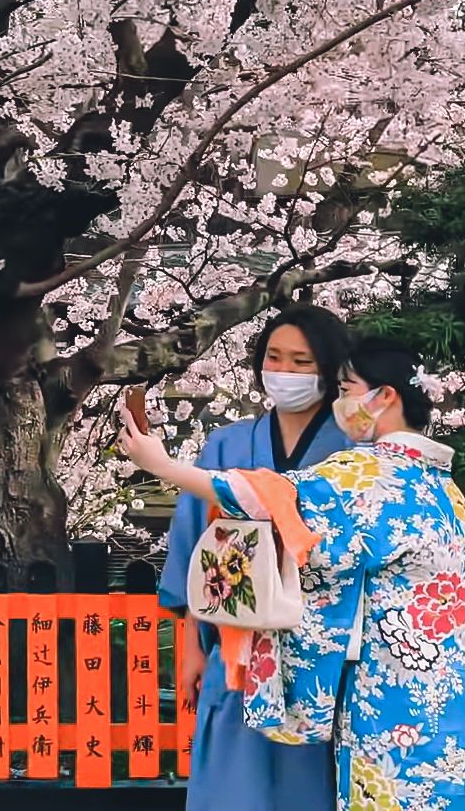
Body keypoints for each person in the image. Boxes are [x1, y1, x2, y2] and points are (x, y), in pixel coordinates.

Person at [124, 339, 465, 811]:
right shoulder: (442, 485)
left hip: (391, 690)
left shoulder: (370, 471)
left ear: (384, 397)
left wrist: (160, 465)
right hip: (455, 685)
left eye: (347, 389)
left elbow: (271, 496)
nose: (341, 402)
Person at [156, 305, 353, 811]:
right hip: (236, 646)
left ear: (330, 371)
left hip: (326, 652)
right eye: (275, 357)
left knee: (314, 784)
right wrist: (192, 648)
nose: (284, 372)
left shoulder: (356, 449)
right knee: (232, 783)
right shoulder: (226, 443)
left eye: (302, 361)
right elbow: (193, 548)